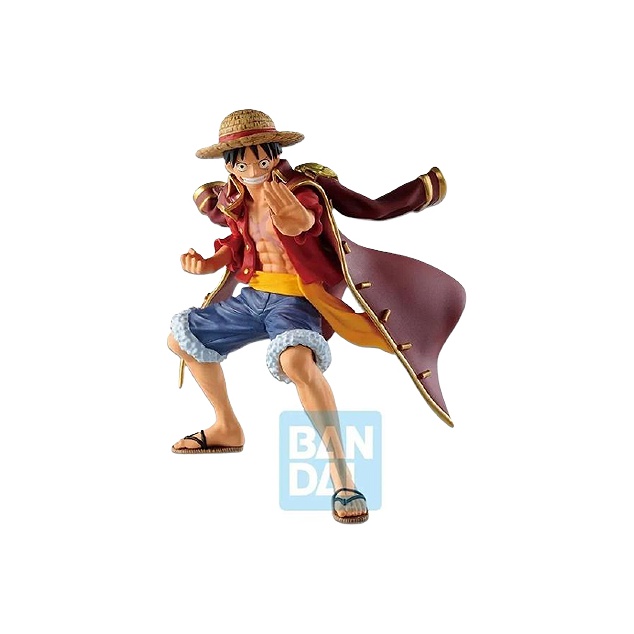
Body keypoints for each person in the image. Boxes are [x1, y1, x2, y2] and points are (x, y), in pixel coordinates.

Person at [167, 109, 466, 524]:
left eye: (261, 159)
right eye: (242, 163)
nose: (253, 169)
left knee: (297, 363)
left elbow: (308, 219)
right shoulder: (234, 199)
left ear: (275, 155)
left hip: (296, 300)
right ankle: (226, 426)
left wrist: (297, 220)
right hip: (254, 298)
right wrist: (208, 263)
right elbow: (237, 244)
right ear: (229, 165)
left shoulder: (300, 189)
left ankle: (342, 476)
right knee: (181, 339)